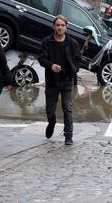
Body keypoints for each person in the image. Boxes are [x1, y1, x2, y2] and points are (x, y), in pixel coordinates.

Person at [38, 15, 81, 145]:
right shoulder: (47, 41)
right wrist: (51, 66)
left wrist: (74, 70)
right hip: (52, 81)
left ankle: (69, 136)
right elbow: (41, 58)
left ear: (66, 27)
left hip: (67, 80)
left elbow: (78, 60)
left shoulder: (72, 43)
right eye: (58, 25)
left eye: (62, 25)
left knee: (67, 108)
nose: (60, 27)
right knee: (50, 110)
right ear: (54, 26)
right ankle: (52, 122)